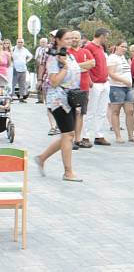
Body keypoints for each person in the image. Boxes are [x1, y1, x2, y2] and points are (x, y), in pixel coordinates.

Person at [34, 29, 82, 182]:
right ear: (58, 40)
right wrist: (66, 67)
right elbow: (54, 81)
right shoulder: (53, 58)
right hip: (59, 100)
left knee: (68, 135)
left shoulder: (69, 55)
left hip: (71, 99)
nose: (71, 40)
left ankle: (42, 158)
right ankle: (68, 172)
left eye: (72, 38)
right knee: (68, 135)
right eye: (67, 38)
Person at [81, 28, 111, 146]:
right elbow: (86, 65)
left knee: (102, 110)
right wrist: (89, 79)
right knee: (91, 110)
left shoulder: (101, 48)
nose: (106, 39)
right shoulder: (89, 47)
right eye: (106, 37)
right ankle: (85, 136)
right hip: (95, 83)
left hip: (104, 82)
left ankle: (99, 135)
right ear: (102, 36)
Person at [68, 31, 95, 148]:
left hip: (83, 87)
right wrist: (84, 66)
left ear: (80, 39)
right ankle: (69, 139)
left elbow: (93, 63)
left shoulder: (86, 51)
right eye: (73, 38)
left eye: (77, 38)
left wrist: (76, 66)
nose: (75, 40)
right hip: (70, 87)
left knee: (80, 114)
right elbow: (67, 66)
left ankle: (78, 139)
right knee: (71, 113)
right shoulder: (67, 52)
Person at [107, 40, 134, 143]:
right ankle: (118, 136)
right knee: (116, 111)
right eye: (122, 46)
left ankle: (131, 135)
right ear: (117, 46)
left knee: (130, 111)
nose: (124, 49)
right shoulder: (112, 58)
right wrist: (124, 80)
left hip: (127, 88)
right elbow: (111, 73)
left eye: (126, 47)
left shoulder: (123, 58)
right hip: (116, 87)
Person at [11, 38, 33, 102]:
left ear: (23, 43)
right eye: (19, 42)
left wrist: (27, 61)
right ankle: (11, 97)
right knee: (13, 84)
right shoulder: (13, 49)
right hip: (15, 69)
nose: (20, 43)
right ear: (16, 42)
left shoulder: (25, 50)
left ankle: (21, 98)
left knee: (22, 84)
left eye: (21, 42)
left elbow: (31, 56)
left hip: (23, 69)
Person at [34, 37, 48, 103]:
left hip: (46, 68)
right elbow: (36, 58)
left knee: (45, 82)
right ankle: (40, 99)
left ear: (46, 43)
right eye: (41, 42)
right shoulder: (38, 49)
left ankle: (45, 97)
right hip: (39, 67)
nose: (42, 43)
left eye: (44, 42)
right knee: (39, 82)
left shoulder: (48, 49)